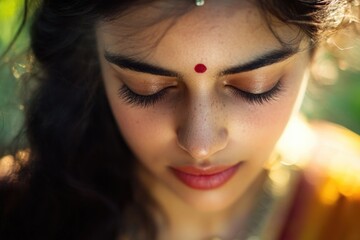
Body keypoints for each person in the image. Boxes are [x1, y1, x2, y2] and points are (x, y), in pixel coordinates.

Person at [0, 0, 359, 239]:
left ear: (315, 53)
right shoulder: (15, 210)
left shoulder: (347, 210)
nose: (200, 144)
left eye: (255, 86)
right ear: (91, 62)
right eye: (147, 88)